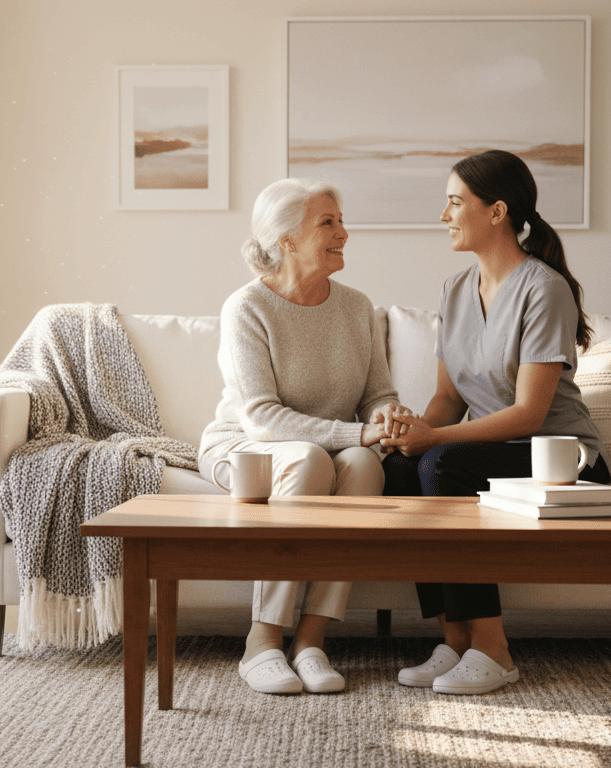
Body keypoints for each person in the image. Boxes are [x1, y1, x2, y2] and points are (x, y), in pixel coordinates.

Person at [380, 150, 611, 695]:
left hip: (561, 455)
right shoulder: (455, 290)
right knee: (399, 469)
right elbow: (446, 397)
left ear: (497, 211)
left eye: (455, 202)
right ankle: (454, 640)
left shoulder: (543, 288)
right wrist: (411, 432)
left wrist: (434, 440)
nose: (444, 215)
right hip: (487, 449)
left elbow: (530, 413)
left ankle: (495, 649)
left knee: (439, 463)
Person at [200, 178, 412, 695]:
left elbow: (377, 392)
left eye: (340, 220)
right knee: (311, 460)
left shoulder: (357, 307)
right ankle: (263, 641)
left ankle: (311, 641)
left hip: (331, 447)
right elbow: (262, 419)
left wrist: (387, 417)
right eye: (328, 222)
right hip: (244, 445)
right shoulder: (246, 307)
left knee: (365, 465)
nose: (344, 231)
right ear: (286, 240)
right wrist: (358, 431)